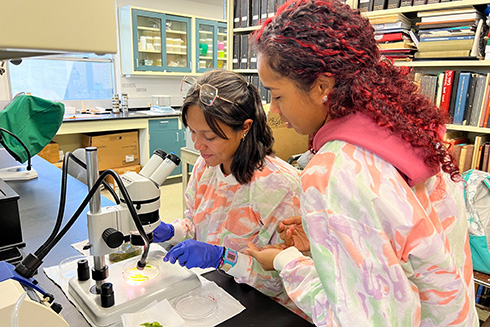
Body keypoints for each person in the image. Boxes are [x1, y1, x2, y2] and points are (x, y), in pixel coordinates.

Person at [244, 0, 479, 326]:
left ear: (323, 87)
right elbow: (411, 243)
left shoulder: (333, 173)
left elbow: (363, 319)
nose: (274, 112)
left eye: (277, 94)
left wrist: (287, 262)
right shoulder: (410, 131)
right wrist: (331, 238)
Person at [153, 69, 306, 317]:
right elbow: (195, 222)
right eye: (193, 131)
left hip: (266, 309)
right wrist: (174, 231)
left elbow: (284, 279)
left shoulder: (279, 185)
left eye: (209, 136)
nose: (197, 145)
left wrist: (223, 258)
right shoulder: (206, 166)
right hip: (215, 291)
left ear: (245, 127)